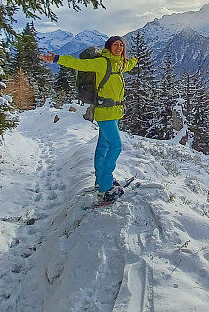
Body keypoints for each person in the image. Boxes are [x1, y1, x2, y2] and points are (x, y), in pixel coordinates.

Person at [41, 36, 138, 203]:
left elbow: (128, 65)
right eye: (116, 44)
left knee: (103, 146)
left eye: (121, 45)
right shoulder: (102, 62)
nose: (119, 48)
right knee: (116, 146)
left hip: (115, 112)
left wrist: (136, 60)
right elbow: (80, 64)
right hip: (105, 112)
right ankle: (106, 188)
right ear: (109, 47)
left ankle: (100, 180)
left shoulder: (119, 63)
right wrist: (57, 58)